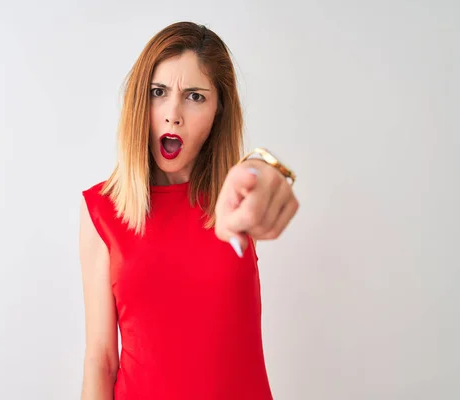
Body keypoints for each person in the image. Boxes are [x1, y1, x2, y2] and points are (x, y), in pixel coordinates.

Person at [79, 21, 299, 400]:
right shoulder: (102, 210)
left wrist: (268, 172)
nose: (172, 114)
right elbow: (101, 360)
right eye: (158, 92)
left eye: (195, 96)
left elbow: (260, 176)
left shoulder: (235, 198)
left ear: (218, 111)